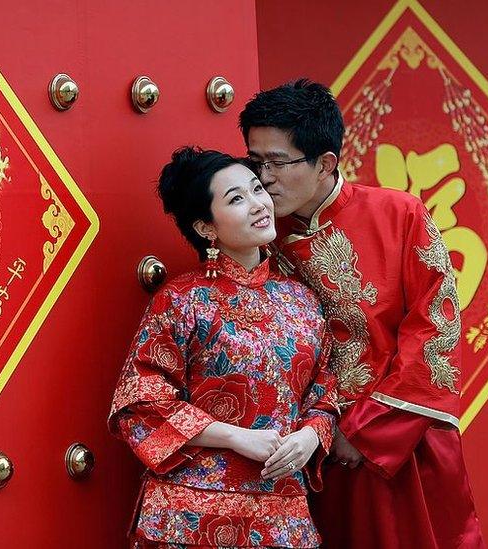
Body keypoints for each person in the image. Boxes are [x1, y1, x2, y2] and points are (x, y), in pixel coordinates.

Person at [240, 79, 485, 548]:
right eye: (255, 162)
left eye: (277, 162)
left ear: (325, 163)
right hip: (299, 456)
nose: (263, 178)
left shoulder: (400, 215)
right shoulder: (256, 239)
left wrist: (364, 432)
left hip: (398, 446)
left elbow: (435, 331)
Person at [108, 147, 340, 548]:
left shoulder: (302, 299)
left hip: (283, 516)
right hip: (190, 519)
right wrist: (235, 437)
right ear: (206, 227)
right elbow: (139, 402)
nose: (258, 205)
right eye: (236, 199)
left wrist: (310, 437)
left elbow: (324, 394)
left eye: (256, 189)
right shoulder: (182, 299)